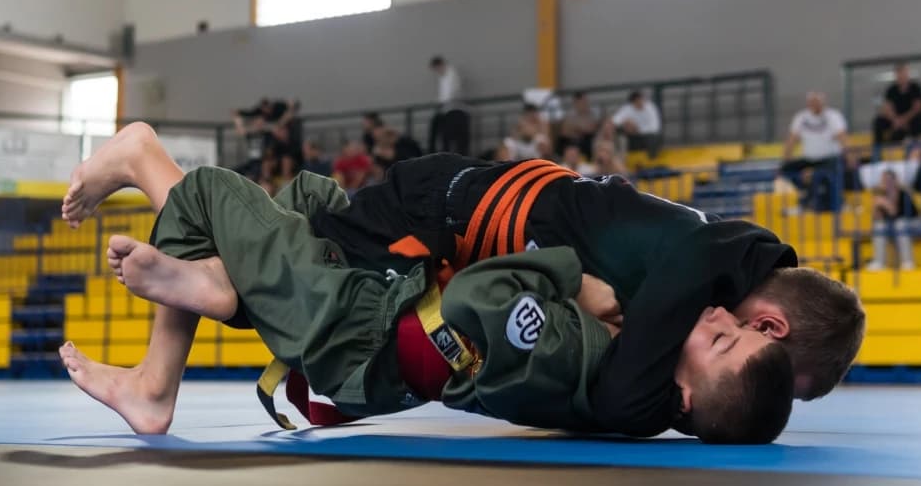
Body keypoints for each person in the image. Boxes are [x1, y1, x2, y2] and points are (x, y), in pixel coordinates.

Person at [65, 132, 863, 439]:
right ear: (773, 328)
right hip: (435, 217)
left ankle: (175, 338)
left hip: (415, 272)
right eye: (742, 335)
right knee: (285, 236)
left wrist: (580, 293)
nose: (717, 319)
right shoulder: (698, 258)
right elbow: (633, 383)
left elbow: (626, 394)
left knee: (249, 228)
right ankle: (186, 323)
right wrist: (584, 290)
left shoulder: (679, 322)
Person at [780, 92, 847, 212]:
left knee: (823, 173)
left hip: (829, 158)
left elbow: (842, 136)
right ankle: (807, 192)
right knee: (786, 169)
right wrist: (786, 157)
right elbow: (792, 138)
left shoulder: (833, 116)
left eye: (817, 101)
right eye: (812, 102)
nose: (815, 104)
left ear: (823, 102)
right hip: (809, 159)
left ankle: (824, 201)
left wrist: (849, 155)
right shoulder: (801, 117)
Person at [867, 169, 919, 271]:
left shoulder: (904, 194)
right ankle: (879, 262)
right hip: (892, 226)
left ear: (895, 181)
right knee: (879, 226)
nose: (887, 183)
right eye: (884, 180)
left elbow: (896, 214)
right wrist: (876, 207)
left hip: (913, 223)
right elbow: (877, 218)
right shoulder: (881, 195)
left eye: (889, 180)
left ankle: (907, 262)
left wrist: (886, 204)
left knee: (901, 224)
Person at [872, 63, 921, 145]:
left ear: (907, 74)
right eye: (899, 74)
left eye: (903, 73)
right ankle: (878, 149)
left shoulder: (916, 87)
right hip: (895, 120)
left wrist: (904, 120)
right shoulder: (891, 90)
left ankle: (916, 145)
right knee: (878, 122)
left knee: (919, 120)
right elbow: (887, 108)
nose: (901, 76)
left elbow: (917, 108)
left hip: (911, 119)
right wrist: (895, 120)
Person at [429, 56, 470, 155]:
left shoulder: (451, 75)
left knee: (453, 138)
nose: (436, 71)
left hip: (454, 109)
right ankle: (437, 153)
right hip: (447, 109)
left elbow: (451, 93)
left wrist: (441, 101)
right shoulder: (443, 77)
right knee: (443, 135)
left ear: (440, 65)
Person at [612, 90, 663, 157]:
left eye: (641, 99)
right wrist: (625, 123)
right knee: (620, 136)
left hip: (648, 136)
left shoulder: (651, 108)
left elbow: (655, 127)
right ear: (633, 102)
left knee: (653, 138)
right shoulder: (627, 109)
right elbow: (614, 121)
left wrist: (637, 128)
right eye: (638, 100)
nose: (641, 102)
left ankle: (652, 159)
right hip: (633, 137)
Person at [559, 92, 602, 158]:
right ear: (576, 103)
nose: (584, 104)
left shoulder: (591, 114)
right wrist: (579, 130)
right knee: (562, 142)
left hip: (587, 139)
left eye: (585, 101)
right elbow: (564, 131)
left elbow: (592, 129)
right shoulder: (569, 115)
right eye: (581, 102)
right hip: (573, 139)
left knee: (589, 141)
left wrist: (577, 129)